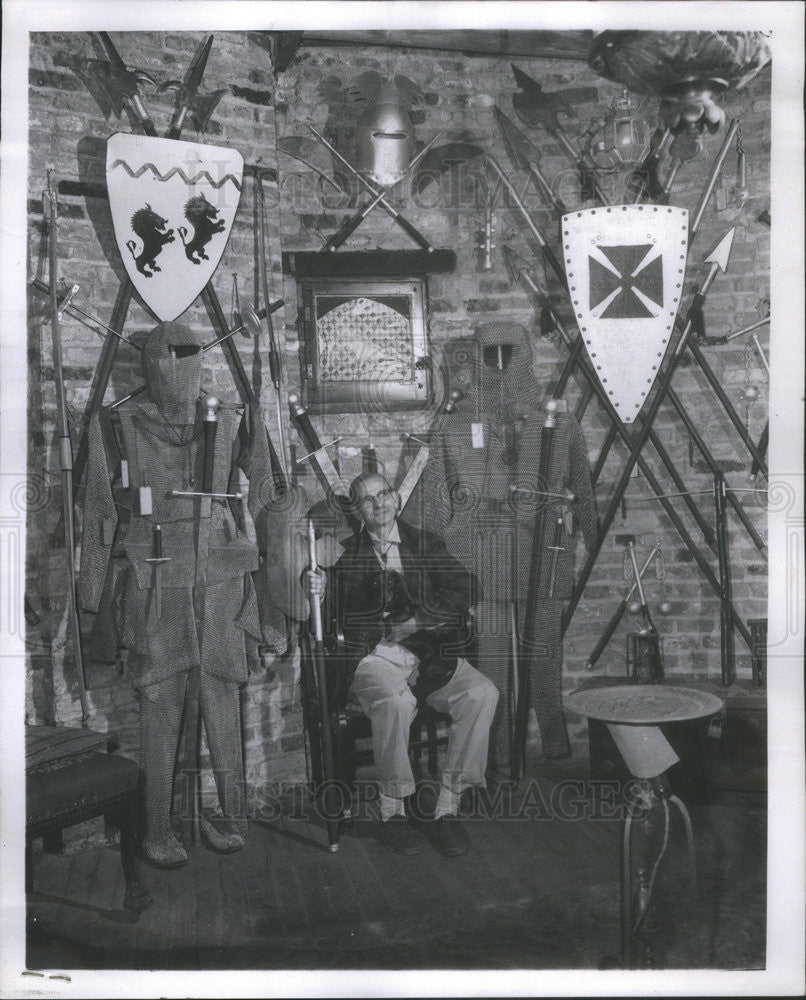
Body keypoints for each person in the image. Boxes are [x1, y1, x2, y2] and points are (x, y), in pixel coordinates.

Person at [79, 320, 290, 868]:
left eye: (188, 353)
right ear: (149, 360)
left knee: (223, 699)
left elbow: (266, 494)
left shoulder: (232, 419)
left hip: (221, 579)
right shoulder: (117, 422)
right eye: (168, 355)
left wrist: (278, 590)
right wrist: (90, 595)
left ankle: (233, 816)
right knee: (160, 706)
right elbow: (99, 512)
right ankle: (156, 827)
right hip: (155, 584)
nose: (178, 365)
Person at [306, 471, 498, 857]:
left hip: (426, 656)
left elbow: (468, 586)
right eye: (367, 500)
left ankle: (447, 806)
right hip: (371, 659)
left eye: (384, 494)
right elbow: (326, 620)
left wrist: (419, 621)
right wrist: (318, 590)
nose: (379, 505)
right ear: (357, 512)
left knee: (482, 693)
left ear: (396, 497)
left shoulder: (424, 543)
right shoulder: (343, 554)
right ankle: (392, 810)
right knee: (396, 703)